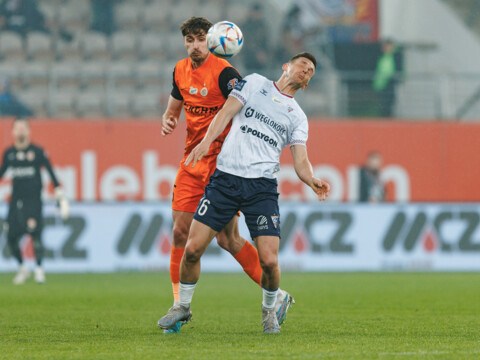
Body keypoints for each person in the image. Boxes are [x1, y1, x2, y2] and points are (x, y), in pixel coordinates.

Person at [158, 52, 330, 334]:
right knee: (191, 249)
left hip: (261, 188)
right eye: (302, 65)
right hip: (224, 180)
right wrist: (204, 143)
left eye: (311, 71)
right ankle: (183, 308)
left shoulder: (298, 117)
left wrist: (311, 179)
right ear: (286, 66)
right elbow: (225, 113)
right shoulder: (253, 83)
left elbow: (300, 159)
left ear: (308, 83)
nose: (306, 71)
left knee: (270, 261)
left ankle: (269, 309)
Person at [0, 117, 69, 284]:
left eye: (24, 127)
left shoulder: (37, 152)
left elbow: (51, 172)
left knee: (34, 233)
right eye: (18, 128)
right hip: (15, 201)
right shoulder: (9, 153)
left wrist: (59, 193)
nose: (21, 131)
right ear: (13, 132)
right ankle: (23, 268)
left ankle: (39, 269)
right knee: (10, 237)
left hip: (33, 200)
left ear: (29, 131)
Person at [372, 39, 403, 118]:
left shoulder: (396, 55)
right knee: (383, 102)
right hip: (382, 82)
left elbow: (398, 68)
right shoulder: (381, 56)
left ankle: (388, 117)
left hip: (390, 81)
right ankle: (384, 116)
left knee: (389, 101)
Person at [241, 4, 269, 74]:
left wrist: (265, 53)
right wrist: (256, 53)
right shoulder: (246, 26)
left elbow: (266, 42)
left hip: (261, 60)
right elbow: (246, 42)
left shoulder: (263, 26)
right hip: (248, 58)